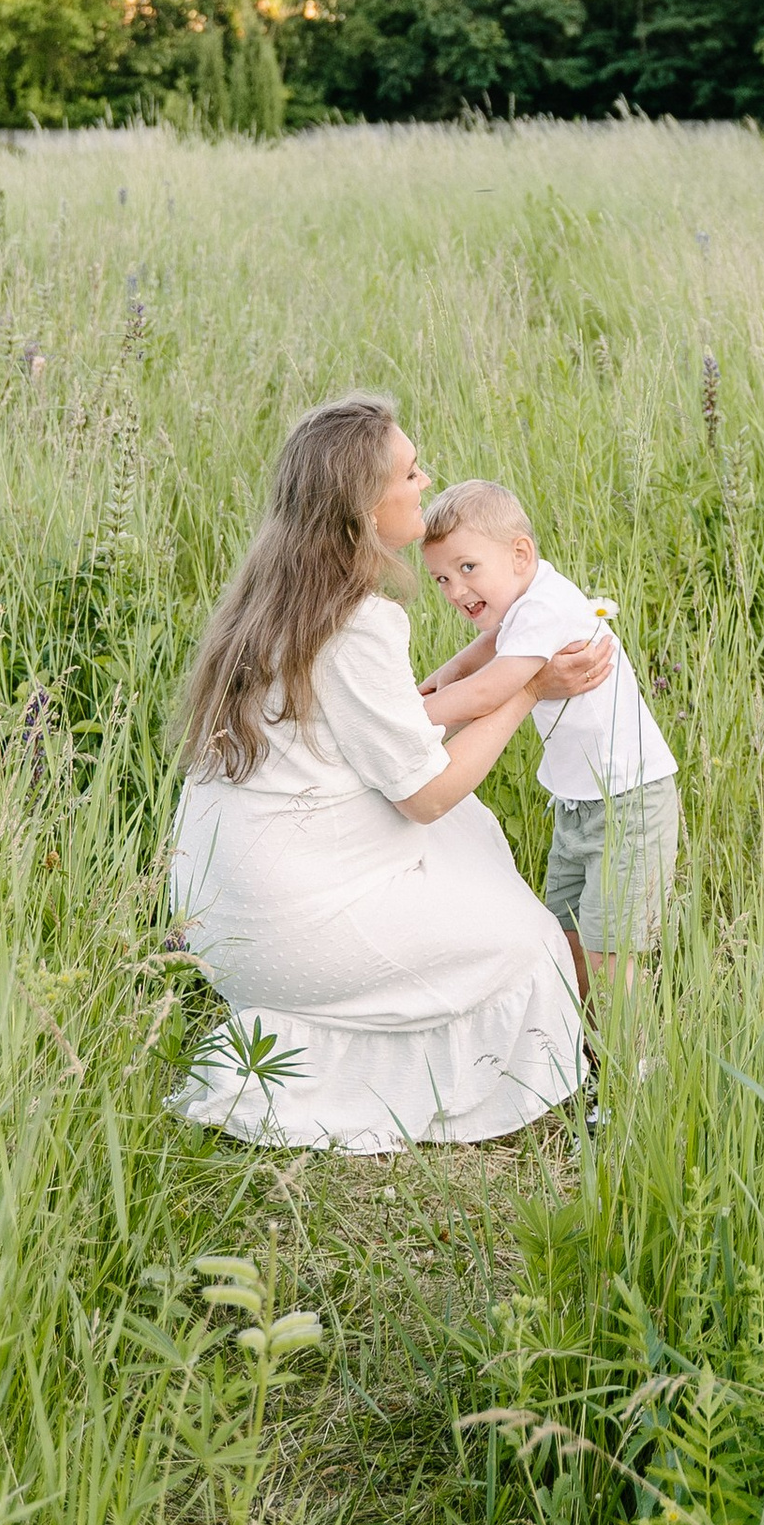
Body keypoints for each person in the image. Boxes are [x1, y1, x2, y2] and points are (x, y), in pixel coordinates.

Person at [165, 395, 610, 1151]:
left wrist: (484, 680)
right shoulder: (357, 620)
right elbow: (428, 793)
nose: (424, 479)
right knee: (527, 943)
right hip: (287, 924)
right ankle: (425, 1079)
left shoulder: (277, 594)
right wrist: (529, 688)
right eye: (409, 472)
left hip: (219, 907)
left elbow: (383, 723)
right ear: (364, 509)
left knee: (474, 840)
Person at [417, 480, 680, 988]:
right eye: (441, 579)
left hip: (628, 803)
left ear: (520, 553)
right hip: (578, 804)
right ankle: (583, 1048)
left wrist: (410, 715)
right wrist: (440, 680)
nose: (455, 590)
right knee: (568, 940)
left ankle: (632, 1060)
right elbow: (490, 647)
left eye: (467, 568)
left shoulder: (546, 607)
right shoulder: (528, 601)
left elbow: (487, 692)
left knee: (610, 953)